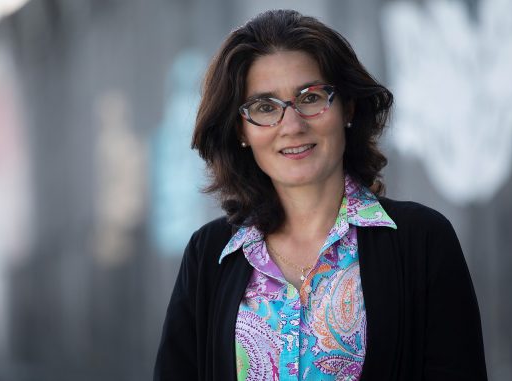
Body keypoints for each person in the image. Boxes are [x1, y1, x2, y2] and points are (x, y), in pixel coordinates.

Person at [154, 9, 487, 381]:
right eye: (265, 108)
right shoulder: (209, 255)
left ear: (348, 107)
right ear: (241, 131)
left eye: (310, 98)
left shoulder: (421, 241)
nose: (292, 126)